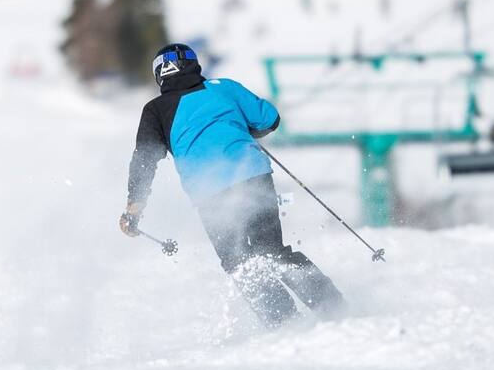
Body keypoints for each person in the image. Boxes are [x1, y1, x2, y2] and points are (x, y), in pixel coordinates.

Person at [120, 43, 345, 328]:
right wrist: (241, 126)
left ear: (159, 76)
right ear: (194, 65)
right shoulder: (224, 87)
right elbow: (270, 118)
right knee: (272, 252)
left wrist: (134, 208)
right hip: (252, 177)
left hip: (209, 193)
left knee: (241, 265)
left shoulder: (155, 110)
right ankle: (334, 309)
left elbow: (144, 160)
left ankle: (285, 324)